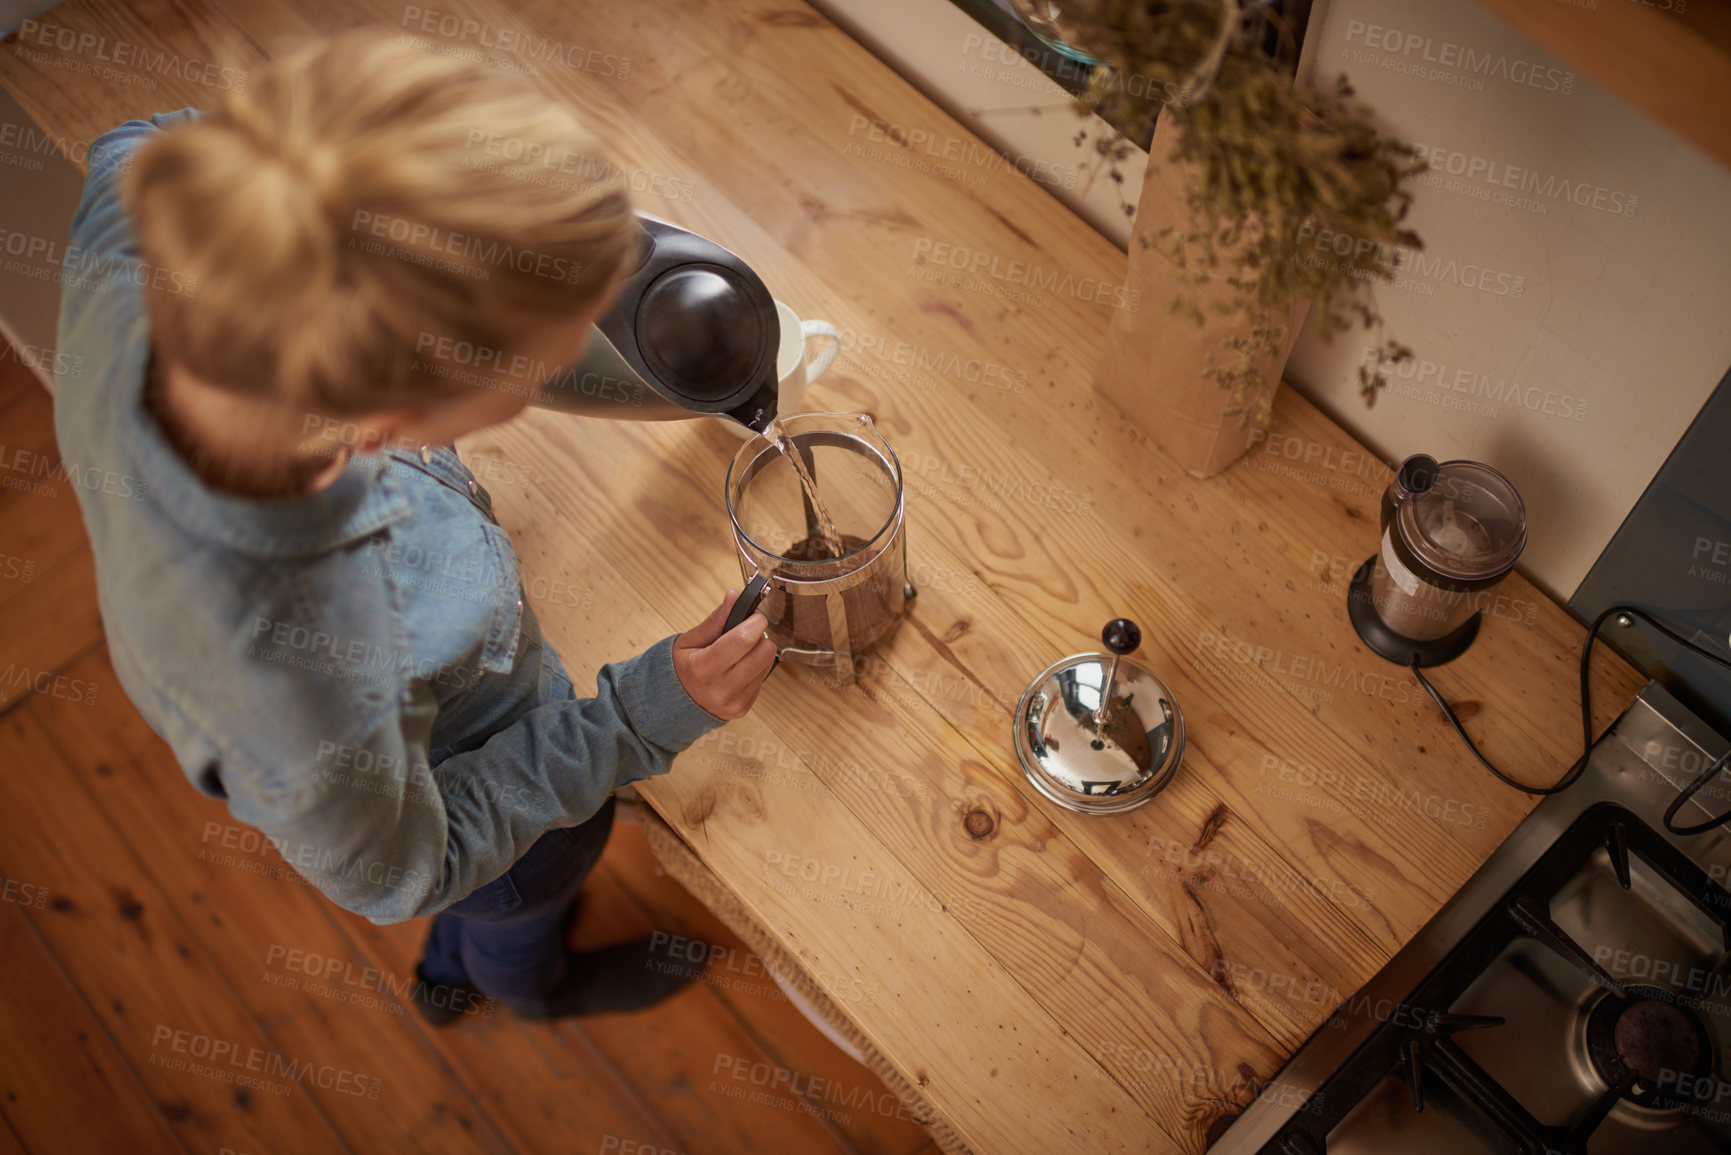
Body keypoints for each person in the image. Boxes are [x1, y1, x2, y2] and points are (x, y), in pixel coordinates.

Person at [53, 27, 776, 1023]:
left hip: (438, 739)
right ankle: (523, 992)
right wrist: (628, 722)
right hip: (499, 835)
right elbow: (414, 865)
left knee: (481, 921)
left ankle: (453, 974)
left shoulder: (148, 214)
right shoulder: (292, 684)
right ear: (388, 430)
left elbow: (152, 135)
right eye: (529, 378)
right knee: (515, 912)